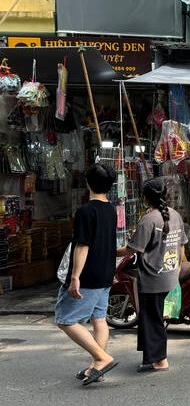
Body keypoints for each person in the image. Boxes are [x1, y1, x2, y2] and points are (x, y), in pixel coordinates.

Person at [55, 163, 119, 386]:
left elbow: (82, 246)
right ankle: (96, 365)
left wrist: (75, 277)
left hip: (89, 275)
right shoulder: (110, 209)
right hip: (106, 273)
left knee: (65, 319)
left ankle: (102, 358)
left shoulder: (85, 211)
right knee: (99, 319)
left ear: (88, 183)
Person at [117, 178, 187, 373]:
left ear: (146, 198)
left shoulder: (149, 220)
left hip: (152, 278)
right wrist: (178, 268)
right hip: (169, 275)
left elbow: (131, 250)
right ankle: (151, 356)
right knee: (151, 318)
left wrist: (108, 250)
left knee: (152, 319)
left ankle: (160, 360)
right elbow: (182, 245)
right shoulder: (175, 216)